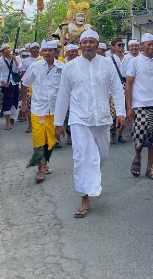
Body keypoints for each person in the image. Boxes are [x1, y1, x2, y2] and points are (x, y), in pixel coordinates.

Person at [54, 30, 126, 218]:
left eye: (91, 42)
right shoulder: (70, 67)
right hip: (79, 119)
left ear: (97, 44)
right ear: (80, 45)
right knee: (82, 156)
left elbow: (117, 90)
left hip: (102, 118)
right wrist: (59, 122)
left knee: (101, 155)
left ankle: (91, 182)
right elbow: (63, 95)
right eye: (84, 42)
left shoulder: (107, 64)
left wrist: (121, 113)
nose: (87, 45)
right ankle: (84, 197)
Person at [126, 33, 153, 180]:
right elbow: (129, 84)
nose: (152, 46)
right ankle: (137, 157)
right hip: (139, 105)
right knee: (140, 136)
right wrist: (129, 107)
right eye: (148, 44)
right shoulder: (134, 62)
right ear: (142, 46)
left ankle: (149, 168)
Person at [21, 40, 63, 183]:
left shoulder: (62, 67)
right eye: (44, 50)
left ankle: (45, 163)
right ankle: (40, 169)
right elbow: (24, 84)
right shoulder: (35, 66)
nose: (47, 53)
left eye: (50, 50)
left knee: (50, 140)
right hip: (38, 110)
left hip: (54, 111)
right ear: (41, 52)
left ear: (55, 51)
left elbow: (66, 89)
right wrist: (24, 104)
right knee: (39, 138)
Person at [0, 45, 20, 130]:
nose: (7, 50)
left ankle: (12, 118)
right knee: (7, 102)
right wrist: (2, 82)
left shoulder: (15, 58)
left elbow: (19, 68)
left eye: (8, 48)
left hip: (15, 83)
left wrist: (15, 59)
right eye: (5, 49)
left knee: (15, 101)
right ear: (2, 51)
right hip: (6, 83)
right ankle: (7, 122)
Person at [109, 38, 127, 144]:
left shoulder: (128, 58)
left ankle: (121, 134)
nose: (121, 47)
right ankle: (112, 132)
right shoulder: (109, 60)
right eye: (118, 45)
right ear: (113, 47)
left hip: (126, 89)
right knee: (113, 113)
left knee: (123, 113)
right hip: (113, 91)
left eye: (122, 45)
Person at [20, 42, 40, 128]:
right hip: (29, 87)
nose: (36, 49)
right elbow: (23, 76)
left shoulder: (43, 60)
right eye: (34, 48)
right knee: (30, 106)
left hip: (39, 87)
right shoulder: (25, 61)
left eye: (37, 48)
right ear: (30, 50)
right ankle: (30, 124)